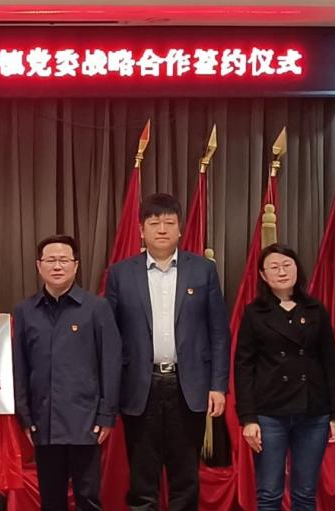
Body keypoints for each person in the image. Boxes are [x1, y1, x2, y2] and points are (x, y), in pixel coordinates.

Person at [105, 193, 230, 511]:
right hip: (140, 387)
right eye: (154, 223)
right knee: (142, 480)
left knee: (185, 478)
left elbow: (218, 332)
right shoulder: (120, 273)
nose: (162, 229)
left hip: (188, 387)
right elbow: (110, 337)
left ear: (180, 228)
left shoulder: (202, 270)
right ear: (141, 230)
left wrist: (218, 385)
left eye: (169, 223)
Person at [13, 235, 122, 511]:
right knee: (51, 499)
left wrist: (106, 415)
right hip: (43, 419)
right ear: (39, 265)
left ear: (76, 265)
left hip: (86, 420)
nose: (57, 266)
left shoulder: (96, 308)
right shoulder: (25, 311)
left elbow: (110, 363)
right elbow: (19, 366)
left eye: (64, 260)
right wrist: (24, 415)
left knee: (88, 497)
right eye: (50, 260)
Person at [234, 243, 335, 511]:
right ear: (263, 275)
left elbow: (330, 363)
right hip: (270, 412)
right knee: (269, 493)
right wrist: (248, 418)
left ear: (297, 268)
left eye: (287, 265)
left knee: (305, 493)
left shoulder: (315, 309)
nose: (281, 272)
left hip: (313, 412)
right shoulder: (254, 313)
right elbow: (243, 367)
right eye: (274, 267)